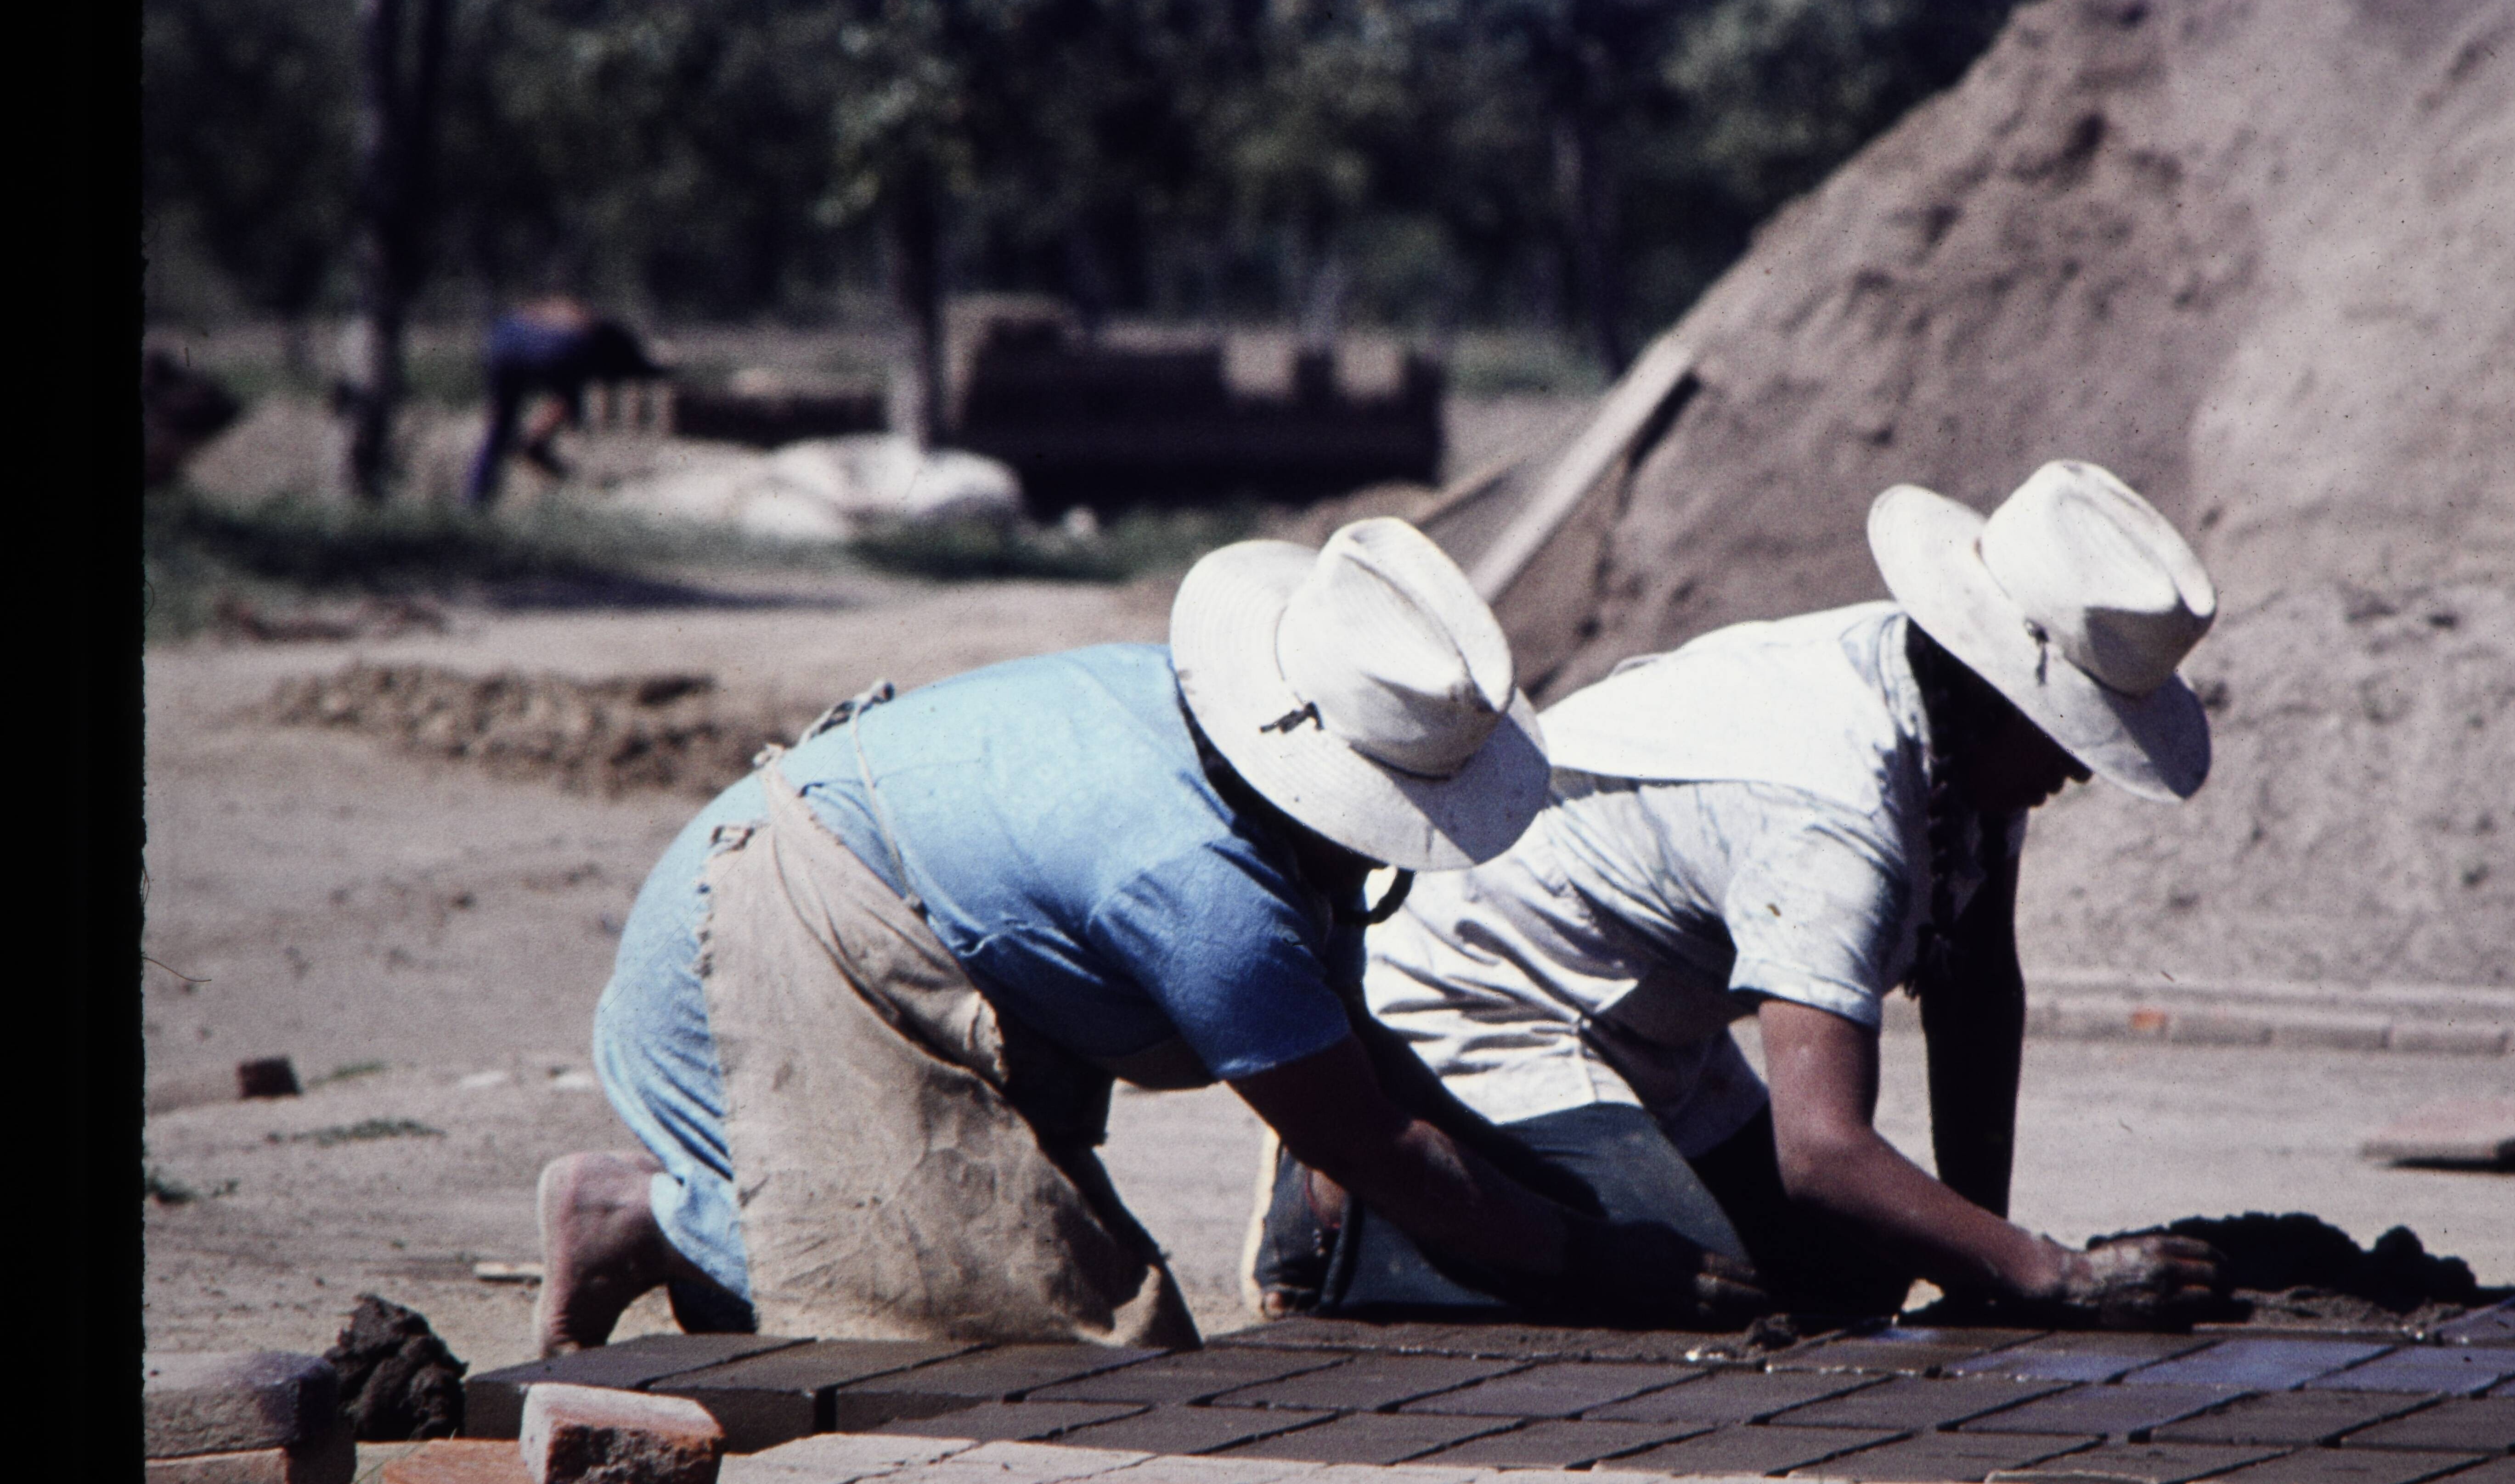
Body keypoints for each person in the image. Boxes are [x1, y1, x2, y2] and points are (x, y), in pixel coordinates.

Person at [539, 517, 1760, 1356]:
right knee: (1053, 1354)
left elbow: (1352, 1078)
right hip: (757, 948)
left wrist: (1509, 1204)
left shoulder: (1227, 746)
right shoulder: (1201, 883)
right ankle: (655, 1217)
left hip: (845, 908)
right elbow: (1365, 1141)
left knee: (1053, 1318)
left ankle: (698, 1235)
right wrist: (1592, 1261)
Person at [1251, 460, 2228, 1330]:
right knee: (1698, 1290)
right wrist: (2049, 1272)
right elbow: (1823, 1154)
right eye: (2073, 733)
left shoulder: (1961, 740)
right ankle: (1351, 1203)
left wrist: (1992, 1268)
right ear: (2005, 692)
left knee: (1856, 1273)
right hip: (1483, 993)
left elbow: (1975, 993)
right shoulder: (1831, 811)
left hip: (1649, 1018)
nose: (2082, 768)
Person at [463, 298, 666, 505]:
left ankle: (476, 498)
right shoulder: (608, 343)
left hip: (504, 338)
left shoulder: (600, 334)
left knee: (499, 429)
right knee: (569, 398)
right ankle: (537, 450)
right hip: (557, 344)